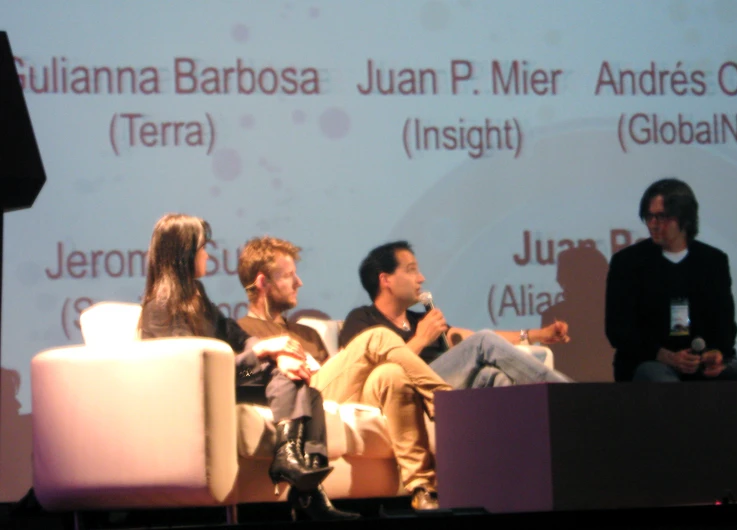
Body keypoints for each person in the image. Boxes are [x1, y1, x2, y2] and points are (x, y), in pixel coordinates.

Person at [138, 214, 358, 521]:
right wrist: (266, 352)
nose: (207, 255)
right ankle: (295, 470)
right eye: (203, 248)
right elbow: (190, 371)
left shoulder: (196, 296)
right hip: (199, 391)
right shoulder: (160, 307)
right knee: (285, 372)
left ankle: (306, 485)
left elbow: (238, 337)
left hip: (230, 378)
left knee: (306, 391)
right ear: (184, 252)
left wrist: (270, 351)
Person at [236, 236, 453, 510]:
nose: (299, 282)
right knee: (377, 337)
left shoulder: (307, 332)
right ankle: (448, 404)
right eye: (289, 276)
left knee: (392, 376)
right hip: (303, 399)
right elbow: (241, 376)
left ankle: (423, 490)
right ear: (262, 283)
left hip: (336, 396)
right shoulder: (244, 332)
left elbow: (340, 376)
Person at [605, 178, 737, 446]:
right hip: (649, 362)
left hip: (700, 365)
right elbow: (618, 330)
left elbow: (725, 324)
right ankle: (686, 471)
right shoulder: (629, 263)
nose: (653, 224)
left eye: (662, 217)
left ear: (684, 218)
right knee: (667, 388)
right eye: (648, 217)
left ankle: (733, 459)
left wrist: (717, 353)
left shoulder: (712, 261)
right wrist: (666, 355)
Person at [339, 241, 573, 390]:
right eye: (411, 270)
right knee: (483, 343)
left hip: (443, 387)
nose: (421, 278)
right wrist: (420, 340)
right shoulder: (362, 320)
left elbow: (470, 339)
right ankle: (569, 395)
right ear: (385, 279)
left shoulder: (419, 319)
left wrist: (538, 334)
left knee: (493, 377)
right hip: (407, 391)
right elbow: (368, 376)